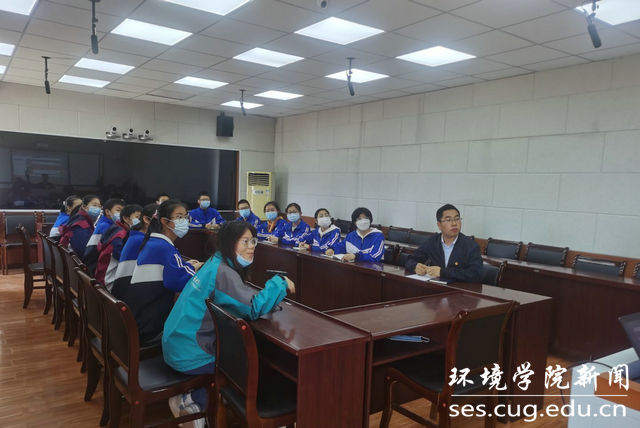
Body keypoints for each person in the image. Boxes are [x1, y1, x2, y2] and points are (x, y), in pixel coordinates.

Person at [163, 221, 295, 426]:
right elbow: (253, 308)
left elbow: (235, 297)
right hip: (191, 354)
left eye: (253, 241)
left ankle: (194, 396)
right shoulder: (223, 271)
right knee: (248, 365)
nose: (251, 247)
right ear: (229, 243)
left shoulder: (215, 262)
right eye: (245, 241)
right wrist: (280, 283)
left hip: (177, 344)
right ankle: (197, 400)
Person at [124, 200, 203, 345]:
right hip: (151, 327)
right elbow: (177, 282)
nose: (184, 221)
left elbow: (171, 270)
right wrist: (195, 267)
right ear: (164, 221)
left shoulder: (154, 242)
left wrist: (186, 266)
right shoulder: (164, 247)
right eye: (179, 217)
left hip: (139, 318)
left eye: (186, 217)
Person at [405, 204, 482, 282]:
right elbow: (410, 260)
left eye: (457, 219)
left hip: (458, 288)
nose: (454, 223)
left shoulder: (471, 246)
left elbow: (476, 274)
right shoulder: (433, 241)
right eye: (448, 220)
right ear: (439, 225)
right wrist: (415, 266)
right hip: (434, 286)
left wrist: (442, 272)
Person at [111, 203, 156, 299]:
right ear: (146, 220)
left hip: (119, 289)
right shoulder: (141, 240)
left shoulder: (135, 235)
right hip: (123, 293)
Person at [94, 204, 142, 289]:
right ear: (126, 219)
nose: (140, 221)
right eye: (138, 217)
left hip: (101, 274)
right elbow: (122, 258)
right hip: (108, 280)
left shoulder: (116, 228)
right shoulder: (120, 235)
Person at [83, 198, 125, 273]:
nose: (121, 214)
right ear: (107, 212)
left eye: (123, 211)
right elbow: (116, 252)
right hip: (95, 267)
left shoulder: (104, 222)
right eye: (118, 210)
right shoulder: (106, 226)